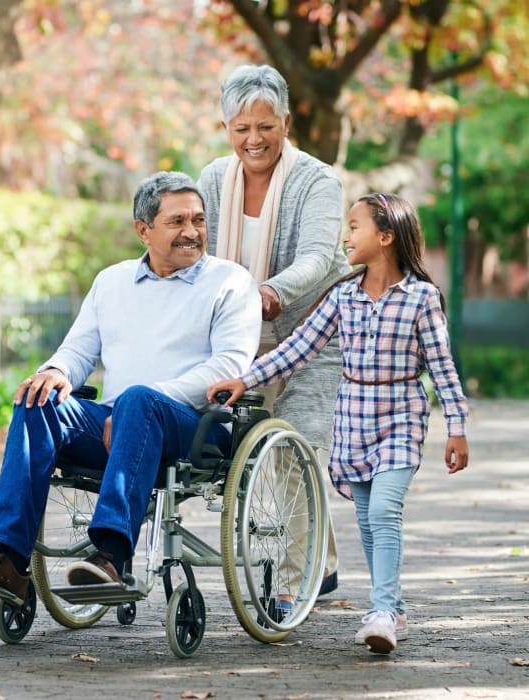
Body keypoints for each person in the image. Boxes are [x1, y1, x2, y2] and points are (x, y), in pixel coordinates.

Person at [0, 171, 262, 602]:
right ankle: (3, 559)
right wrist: (55, 372)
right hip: (116, 423)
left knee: (138, 400)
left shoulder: (231, 282)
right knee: (38, 401)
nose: (192, 232)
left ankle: (110, 557)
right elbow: (77, 352)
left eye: (199, 220)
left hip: (194, 429)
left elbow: (228, 367)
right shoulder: (112, 282)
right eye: (178, 221)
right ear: (143, 230)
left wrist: (145, 401)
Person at [206, 192, 470, 654]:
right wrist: (244, 379)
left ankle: (383, 611)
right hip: (351, 419)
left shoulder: (422, 298)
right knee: (368, 520)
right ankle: (395, 607)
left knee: (386, 511)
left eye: (354, 226)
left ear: (385, 237)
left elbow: (442, 367)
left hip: (400, 418)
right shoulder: (342, 295)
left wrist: (457, 426)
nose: (345, 236)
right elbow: (297, 349)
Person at [196, 64, 349, 598]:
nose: (254, 139)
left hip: (315, 338)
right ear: (226, 130)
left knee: (293, 448)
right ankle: (318, 565)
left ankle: (288, 588)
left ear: (285, 121)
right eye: (242, 129)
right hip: (243, 338)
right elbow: (198, 251)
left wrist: (270, 291)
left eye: (266, 126)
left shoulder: (318, 180)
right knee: (253, 453)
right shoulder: (213, 180)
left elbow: (315, 258)